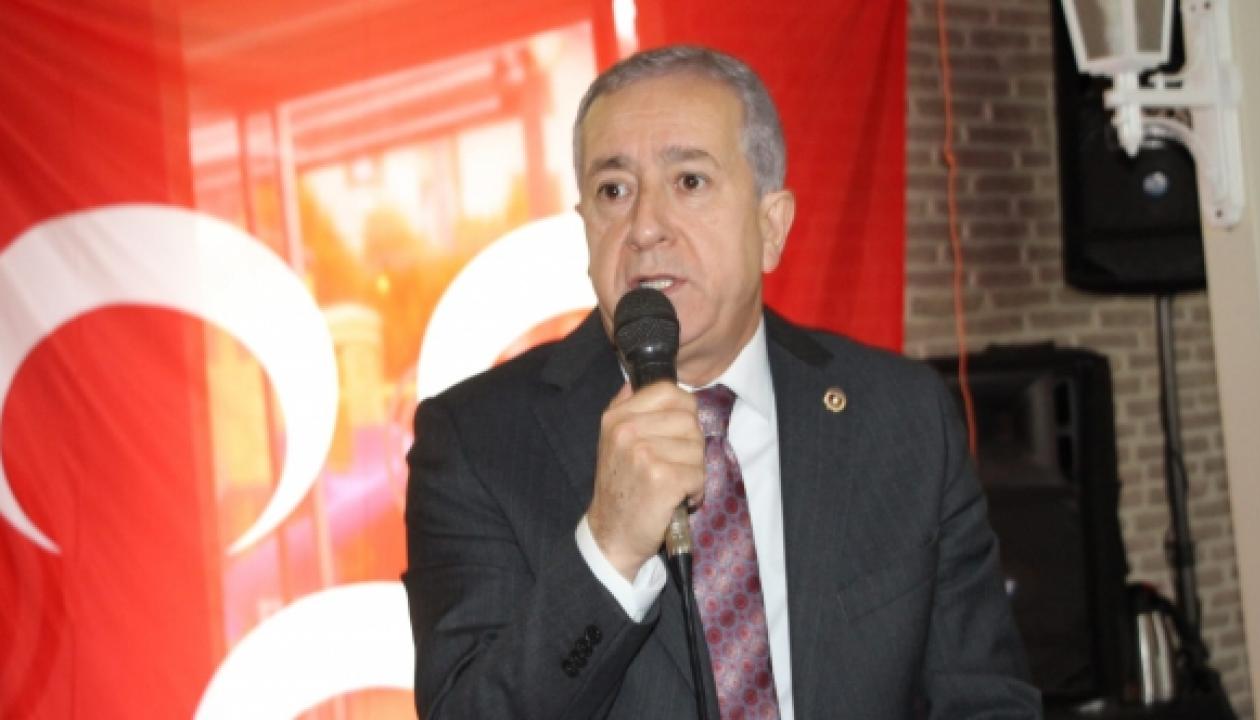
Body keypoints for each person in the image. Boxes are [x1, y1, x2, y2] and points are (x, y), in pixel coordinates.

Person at [403, 45, 1041, 719]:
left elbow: (984, 700)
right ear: (585, 226)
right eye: (614, 191)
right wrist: (610, 549)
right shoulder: (477, 443)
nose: (645, 227)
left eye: (690, 181)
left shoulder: (902, 417)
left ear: (771, 227)